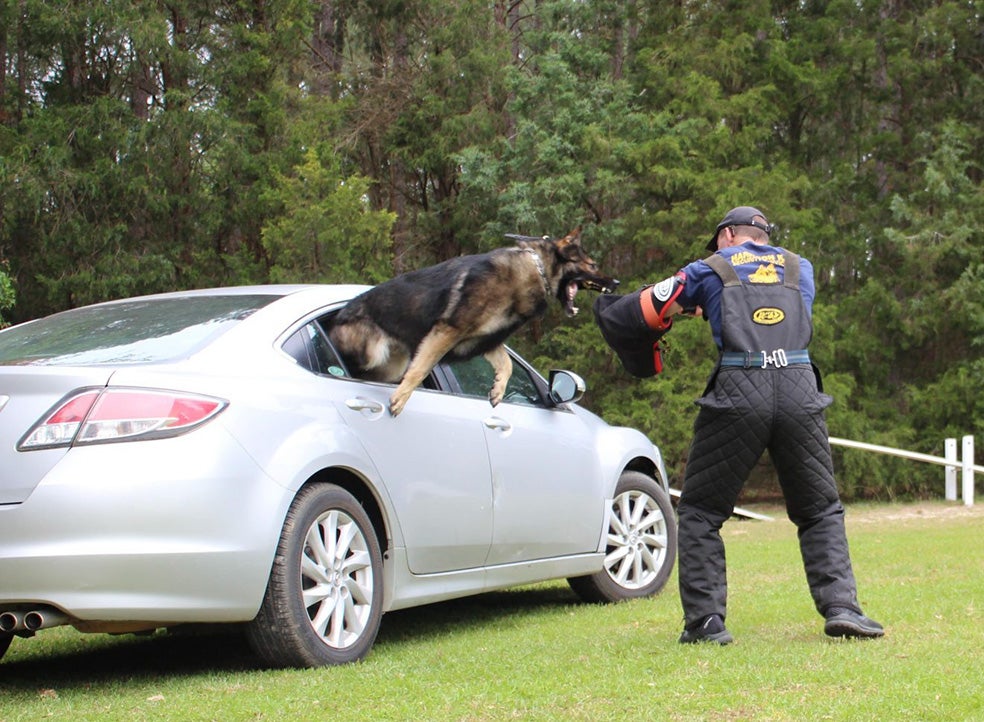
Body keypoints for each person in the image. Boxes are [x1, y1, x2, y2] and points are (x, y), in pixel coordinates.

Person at [593, 206, 883, 644]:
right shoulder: (798, 267)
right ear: (764, 236)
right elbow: (777, 311)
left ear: (728, 235)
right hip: (799, 385)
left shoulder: (709, 268)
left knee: (701, 512)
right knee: (820, 509)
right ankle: (843, 608)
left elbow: (652, 309)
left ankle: (706, 623)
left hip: (738, 387)